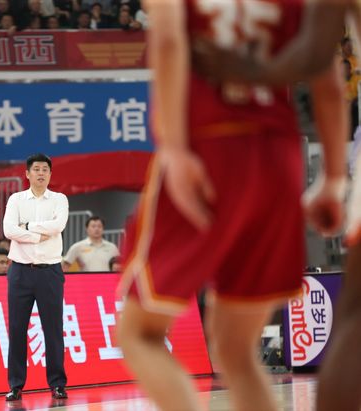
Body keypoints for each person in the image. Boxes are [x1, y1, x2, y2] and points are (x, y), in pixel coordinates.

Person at [116, 2, 347, 411]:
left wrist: (174, 148)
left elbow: (168, 41)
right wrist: (332, 178)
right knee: (236, 349)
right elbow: (327, 79)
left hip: (210, 146)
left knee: (140, 334)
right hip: (279, 159)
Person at [2, 153, 69, 401]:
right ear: (27, 174)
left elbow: (58, 225)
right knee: (17, 329)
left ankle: (57, 383)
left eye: (45, 169)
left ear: (50, 174)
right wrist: (38, 235)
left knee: (53, 330)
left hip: (49, 271)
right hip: (20, 271)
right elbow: (9, 230)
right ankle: (16, 385)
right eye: (36, 169)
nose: (41, 173)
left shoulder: (59, 199)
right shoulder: (16, 199)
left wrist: (28, 227)